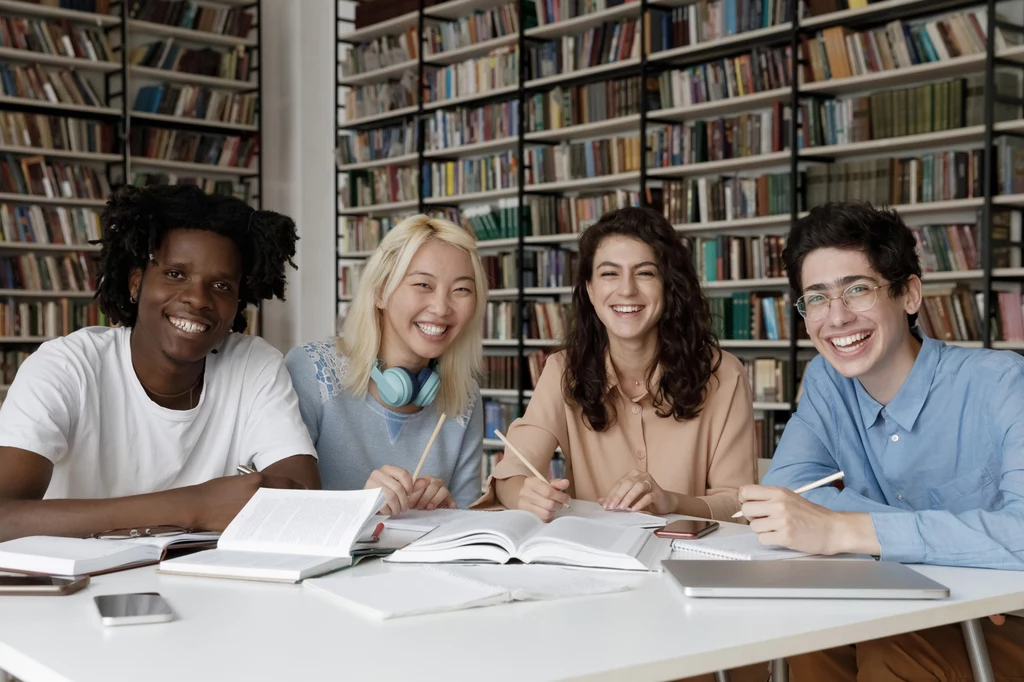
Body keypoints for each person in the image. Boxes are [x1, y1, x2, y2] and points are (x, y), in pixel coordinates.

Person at [739, 202, 1024, 680]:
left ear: (909, 294)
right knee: (808, 639)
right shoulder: (827, 381)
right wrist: (967, 552)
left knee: (888, 653)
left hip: (1007, 622)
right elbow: (789, 498)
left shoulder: (1001, 384)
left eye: (857, 290)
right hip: (902, 603)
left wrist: (845, 529)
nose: (837, 318)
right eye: (817, 299)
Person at [0, 184, 320, 540]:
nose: (198, 299)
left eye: (221, 286)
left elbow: (304, 507)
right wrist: (195, 506)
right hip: (81, 588)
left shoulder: (254, 364)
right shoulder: (66, 367)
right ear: (136, 283)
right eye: (176, 274)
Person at [286, 214, 487, 514]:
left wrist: (446, 511)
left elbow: (466, 530)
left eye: (461, 290)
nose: (442, 308)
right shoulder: (311, 370)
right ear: (380, 291)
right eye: (423, 284)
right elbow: (280, 511)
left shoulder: (465, 397)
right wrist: (359, 507)